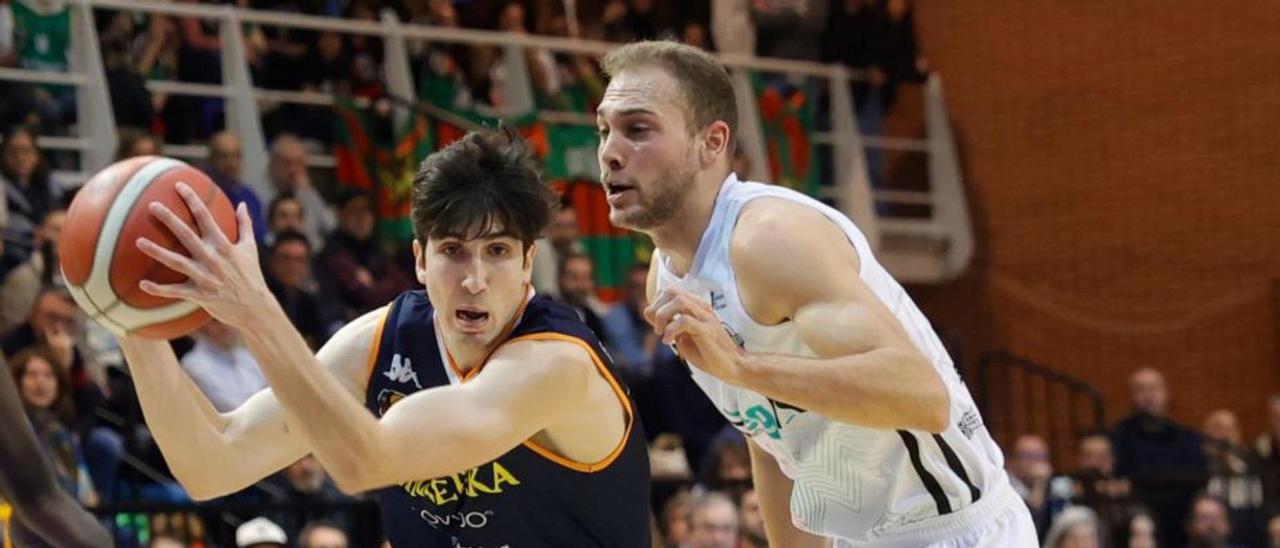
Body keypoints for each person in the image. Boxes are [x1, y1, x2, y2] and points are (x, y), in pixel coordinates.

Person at [118, 127, 651, 547]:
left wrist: (257, 311)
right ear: (419, 259)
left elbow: (365, 462)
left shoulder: (557, 365)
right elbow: (212, 466)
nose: (474, 280)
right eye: (452, 250)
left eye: (497, 252)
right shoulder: (380, 342)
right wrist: (128, 316)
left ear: (529, 261)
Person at [595, 40, 1032, 546]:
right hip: (860, 536)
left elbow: (922, 395)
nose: (609, 151)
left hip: (952, 530)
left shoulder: (770, 238)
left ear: (712, 142)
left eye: (638, 129)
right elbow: (773, 439)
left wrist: (742, 368)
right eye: (604, 130)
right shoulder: (666, 278)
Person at [0, 353, 112, 547]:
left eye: (48, 375)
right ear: (16, 381)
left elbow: (86, 492)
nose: (40, 383)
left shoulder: (63, 432)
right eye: (32, 375)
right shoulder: (17, 429)